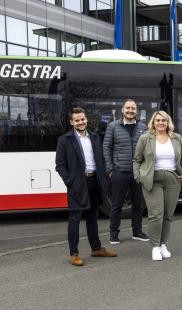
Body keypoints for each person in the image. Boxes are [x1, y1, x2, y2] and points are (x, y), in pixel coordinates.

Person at [55, 107, 117, 266]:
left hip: (95, 181)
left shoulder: (95, 137)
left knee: (93, 217)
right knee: (74, 218)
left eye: (82, 119)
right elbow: (60, 165)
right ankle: (74, 254)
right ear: (71, 122)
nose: (80, 122)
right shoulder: (64, 140)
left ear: (86, 119)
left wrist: (104, 177)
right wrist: (70, 182)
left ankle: (96, 248)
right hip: (78, 184)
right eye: (77, 120)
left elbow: (101, 159)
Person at [133, 111, 182, 261]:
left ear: (168, 122)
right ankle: (155, 247)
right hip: (152, 179)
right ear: (153, 122)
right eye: (157, 120)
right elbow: (137, 160)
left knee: (168, 215)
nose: (160, 123)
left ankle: (163, 244)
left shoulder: (176, 138)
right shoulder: (145, 138)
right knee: (156, 214)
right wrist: (139, 177)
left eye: (163, 120)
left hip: (173, 178)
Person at [103, 99, 149, 244]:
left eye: (133, 108)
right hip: (119, 172)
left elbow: (148, 150)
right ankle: (113, 234)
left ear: (136, 111)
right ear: (122, 110)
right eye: (127, 108)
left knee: (138, 204)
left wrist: (145, 169)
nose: (130, 111)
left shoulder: (143, 127)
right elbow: (106, 148)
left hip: (137, 173)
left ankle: (137, 231)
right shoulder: (113, 126)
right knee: (116, 205)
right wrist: (110, 169)